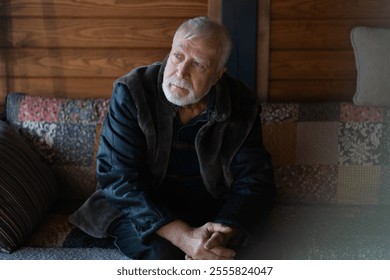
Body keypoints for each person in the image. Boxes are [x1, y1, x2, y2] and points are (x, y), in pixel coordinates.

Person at [69, 16, 277, 260]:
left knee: (234, 256)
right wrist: (183, 237)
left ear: (218, 75)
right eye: (178, 56)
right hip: (136, 209)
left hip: (208, 212)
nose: (181, 71)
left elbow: (254, 180)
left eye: (198, 64)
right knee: (163, 254)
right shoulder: (133, 92)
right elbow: (119, 178)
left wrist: (220, 234)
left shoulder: (242, 104)